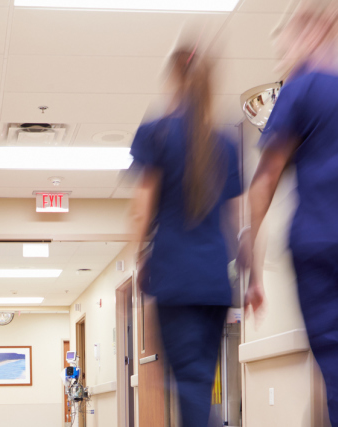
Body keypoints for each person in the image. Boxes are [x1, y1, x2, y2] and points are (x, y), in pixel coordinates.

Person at [243, 1, 338, 425]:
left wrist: (252, 269)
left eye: (285, 47)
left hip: (319, 252)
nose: (284, 58)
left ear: (310, 34)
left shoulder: (302, 86)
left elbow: (265, 180)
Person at [128, 43, 246, 427]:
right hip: (213, 278)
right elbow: (235, 219)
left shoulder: (156, 133)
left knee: (187, 384)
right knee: (197, 381)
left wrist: (137, 258)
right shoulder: (226, 142)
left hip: (174, 274)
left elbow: (140, 210)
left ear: (174, 79)